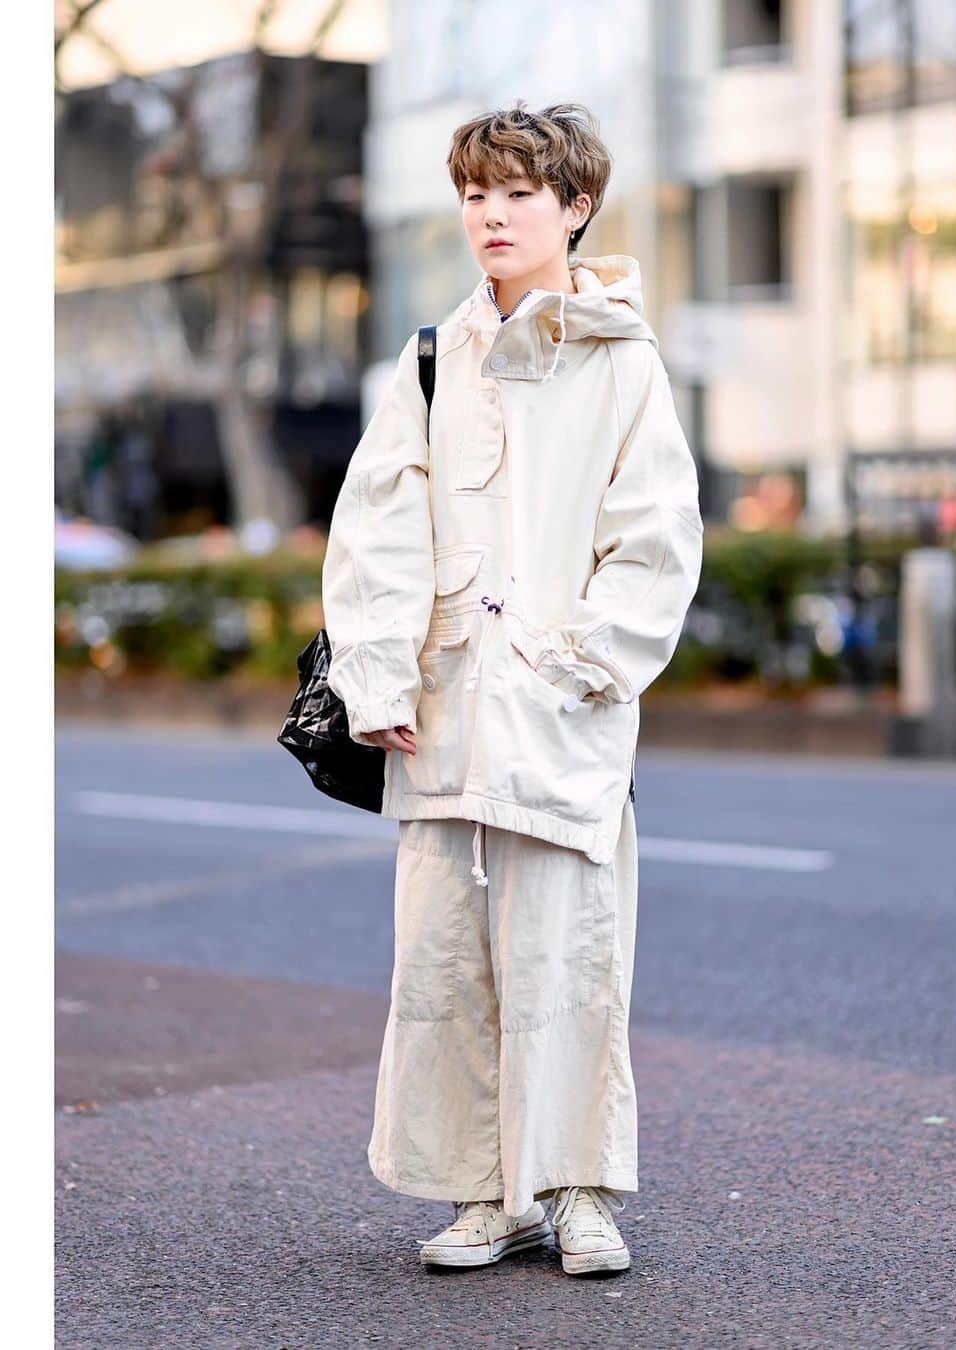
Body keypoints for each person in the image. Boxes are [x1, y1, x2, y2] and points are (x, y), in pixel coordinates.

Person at [321, 101, 704, 1275]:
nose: (490, 214)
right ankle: (482, 1192)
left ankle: (579, 1190)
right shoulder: (433, 357)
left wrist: (579, 666)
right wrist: (378, 672)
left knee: (570, 954)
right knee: (444, 962)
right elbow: (376, 528)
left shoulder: (624, 361)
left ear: (575, 207)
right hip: (438, 710)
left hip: (562, 710)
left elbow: (655, 540)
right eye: (475, 193)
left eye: (518, 194)